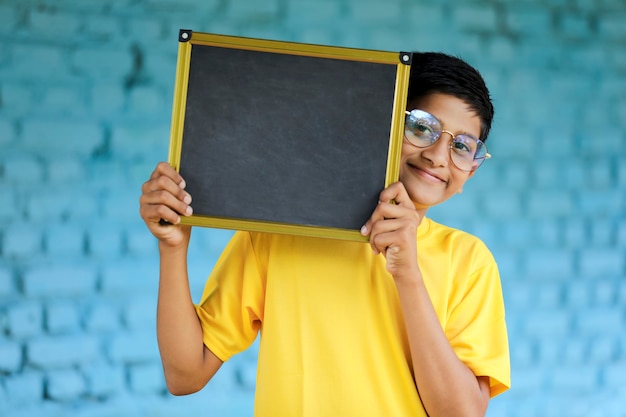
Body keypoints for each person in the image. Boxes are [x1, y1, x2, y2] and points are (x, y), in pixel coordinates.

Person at [139, 52, 510, 417]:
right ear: (383, 123)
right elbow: (185, 376)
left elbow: (460, 414)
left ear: (471, 171)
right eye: (422, 127)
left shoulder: (469, 262)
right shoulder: (281, 231)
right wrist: (172, 248)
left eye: (462, 146)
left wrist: (408, 274)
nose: (438, 156)